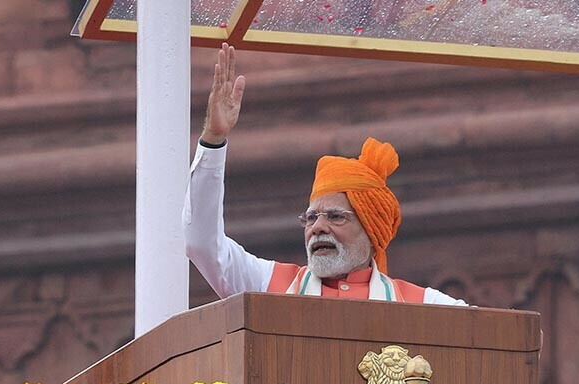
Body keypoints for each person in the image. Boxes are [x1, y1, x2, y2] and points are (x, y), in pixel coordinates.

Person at [183, 44, 467, 306]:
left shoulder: (425, 306)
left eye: (335, 216)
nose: (317, 227)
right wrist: (213, 139)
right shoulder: (271, 285)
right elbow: (202, 244)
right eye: (310, 217)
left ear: (372, 229)